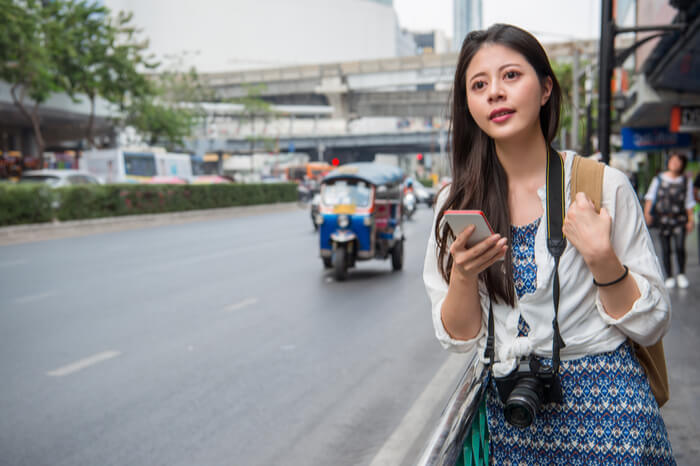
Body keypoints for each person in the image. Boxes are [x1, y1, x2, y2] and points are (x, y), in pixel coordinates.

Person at [423, 24, 674, 464]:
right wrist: (463, 275)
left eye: (511, 76)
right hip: (514, 417)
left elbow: (651, 325)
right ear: (468, 104)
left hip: (612, 419)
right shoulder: (457, 203)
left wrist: (602, 259)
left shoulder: (600, 187)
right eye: (479, 85)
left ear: (544, 90)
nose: (495, 93)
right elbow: (461, 337)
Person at [644, 153, 696, 288]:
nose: (674, 164)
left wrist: (691, 220)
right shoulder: (659, 179)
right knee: (665, 248)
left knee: (679, 247)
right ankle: (669, 276)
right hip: (663, 219)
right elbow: (650, 197)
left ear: (682, 165)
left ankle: (681, 274)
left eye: (677, 161)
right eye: (672, 161)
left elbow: (689, 202)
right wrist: (647, 214)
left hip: (680, 219)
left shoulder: (686, 181)